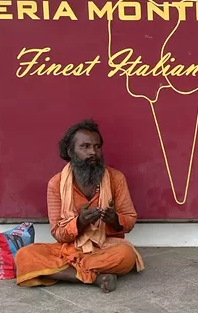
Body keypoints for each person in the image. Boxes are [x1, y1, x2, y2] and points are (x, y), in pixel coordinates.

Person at [15, 119, 143, 291]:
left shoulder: (116, 178)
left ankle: (67, 271)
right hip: (69, 248)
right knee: (25, 255)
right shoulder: (56, 183)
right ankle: (96, 277)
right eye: (85, 147)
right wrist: (80, 222)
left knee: (126, 256)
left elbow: (130, 219)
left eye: (97, 147)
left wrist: (115, 220)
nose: (93, 152)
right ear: (71, 151)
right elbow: (57, 233)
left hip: (105, 246)